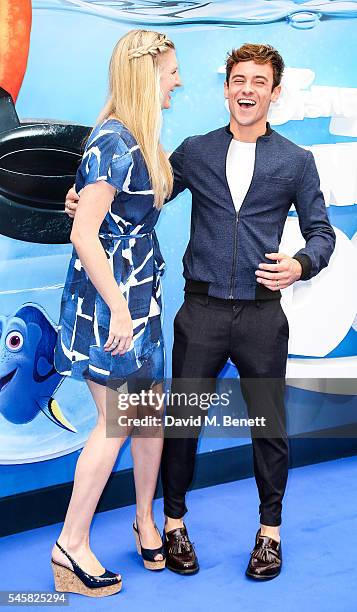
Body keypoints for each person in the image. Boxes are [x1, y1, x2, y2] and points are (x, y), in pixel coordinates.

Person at [66, 43, 335, 581]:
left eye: (259, 81)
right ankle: (171, 525)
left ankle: (269, 533)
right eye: (239, 79)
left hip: (262, 315)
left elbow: (321, 234)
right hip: (201, 311)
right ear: (227, 87)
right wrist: (82, 201)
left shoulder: (297, 162)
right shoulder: (194, 152)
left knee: (269, 426)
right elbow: (141, 192)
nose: (247, 90)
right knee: (180, 425)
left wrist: (301, 265)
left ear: (274, 93)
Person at [52, 29, 181, 597]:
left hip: (139, 298)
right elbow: (84, 235)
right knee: (115, 425)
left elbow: (104, 212)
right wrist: (120, 311)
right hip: (116, 306)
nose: (177, 80)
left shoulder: (137, 139)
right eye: (171, 70)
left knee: (148, 413)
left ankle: (144, 518)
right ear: (146, 74)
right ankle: (71, 545)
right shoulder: (114, 140)